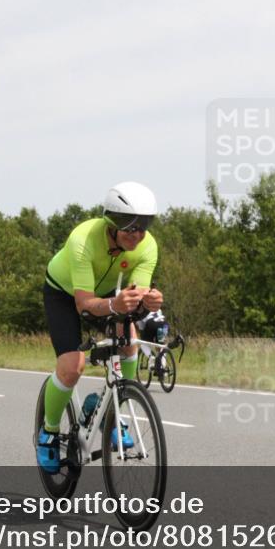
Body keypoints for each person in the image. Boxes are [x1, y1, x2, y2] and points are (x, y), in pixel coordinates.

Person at [37, 182, 164, 473]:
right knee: (72, 366)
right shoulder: (83, 238)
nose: (138, 235)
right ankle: (49, 431)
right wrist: (115, 306)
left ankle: (118, 414)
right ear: (112, 223)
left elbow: (136, 296)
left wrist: (148, 302)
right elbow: (83, 304)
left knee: (129, 339)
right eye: (130, 227)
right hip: (65, 293)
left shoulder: (148, 246)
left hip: (108, 294)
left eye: (144, 226)